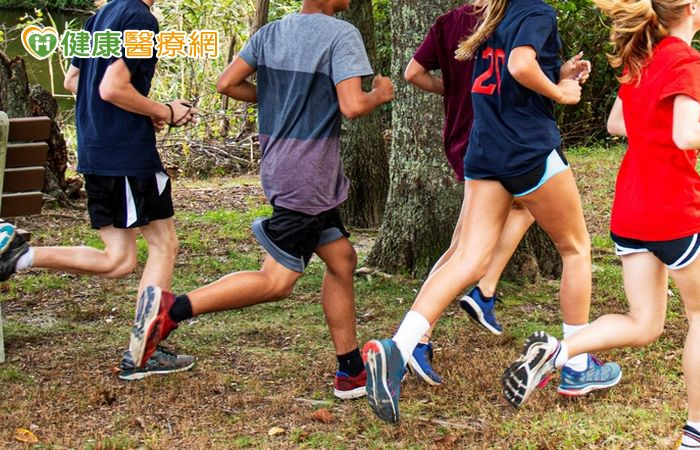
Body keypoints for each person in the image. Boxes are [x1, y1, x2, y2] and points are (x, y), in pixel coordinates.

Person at [500, 1, 700, 448]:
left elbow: (618, 122)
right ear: (692, 8)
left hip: (632, 208)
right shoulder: (689, 61)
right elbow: (683, 135)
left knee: (645, 322)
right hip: (675, 208)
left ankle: (559, 353)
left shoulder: (643, 57)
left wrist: (674, 132)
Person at [363, 0, 621, 423]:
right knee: (576, 249)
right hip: (527, 150)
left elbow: (507, 77)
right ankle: (577, 366)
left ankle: (399, 347)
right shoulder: (536, 11)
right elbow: (520, 66)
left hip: (484, 149)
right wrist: (560, 92)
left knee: (468, 257)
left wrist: (558, 73)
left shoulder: (492, 15)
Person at [126, 0, 394, 400]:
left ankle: (350, 370)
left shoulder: (271, 33)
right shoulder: (342, 34)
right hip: (308, 175)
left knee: (342, 260)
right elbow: (353, 105)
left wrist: (276, 100)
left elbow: (226, 84)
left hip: (289, 168)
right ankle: (170, 311)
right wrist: (380, 93)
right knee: (276, 282)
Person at [0, 0, 198, 381]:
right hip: (125, 155)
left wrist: (144, 110)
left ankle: (16, 253)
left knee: (118, 259)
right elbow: (111, 87)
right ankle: (144, 352)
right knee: (163, 245)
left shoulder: (97, 20)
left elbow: (76, 82)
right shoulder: (140, 18)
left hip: (96, 151)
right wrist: (164, 110)